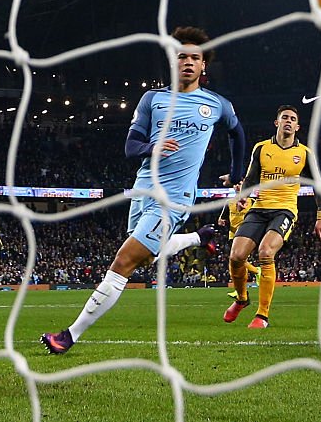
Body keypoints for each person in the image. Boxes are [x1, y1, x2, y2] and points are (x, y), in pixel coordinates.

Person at [42, 26, 246, 354]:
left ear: (204, 64)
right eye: (182, 57)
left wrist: (237, 174)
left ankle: (69, 335)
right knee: (147, 258)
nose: (189, 62)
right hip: (143, 192)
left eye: (196, 57)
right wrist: (152, 147)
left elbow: (237, 133)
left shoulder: (217, 104)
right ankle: (199, 238)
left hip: (175, 198)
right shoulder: (153, 100)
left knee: (123, 261)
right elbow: (130, 146)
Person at [224, 105, 321, 329]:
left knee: (265, 252)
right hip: (259, 208)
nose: (288, 121)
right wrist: (243, 197)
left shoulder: (304, 154)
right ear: (277, 123)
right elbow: (251, 178)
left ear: (298, 126)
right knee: (236, 256)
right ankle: (242, 299)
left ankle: (262, 315)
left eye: (292, 119)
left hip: (285, 210)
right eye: (285, 118)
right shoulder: (261, 149)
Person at [217, 196, 260, 301]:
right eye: (235, 184)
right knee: (234, 262)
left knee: (238, 261)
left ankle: (255, 272)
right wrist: (221, 221)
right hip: (233, 234)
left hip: (246, 234)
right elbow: (221, 219)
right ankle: (241, 287)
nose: (237, 186)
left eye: (239, 184)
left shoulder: (252, 201)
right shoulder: (229, 202)